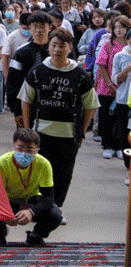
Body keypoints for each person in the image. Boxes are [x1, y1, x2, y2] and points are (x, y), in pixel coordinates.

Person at [19, 28, 99, 223]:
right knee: (39, 171)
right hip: (41, 133)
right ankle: (37, 207)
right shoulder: (37, 71)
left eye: (61, 46)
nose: (57, 50)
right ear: (49, 47)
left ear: (70, 48)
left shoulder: (80, 75)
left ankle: (55, 208)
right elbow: (26, 101)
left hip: (68, 135)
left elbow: (90, 105)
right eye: (53, 45)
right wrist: (28, 130)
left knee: (63, 173)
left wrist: (81, 131)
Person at [0, 128, 63, 246]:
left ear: (37, 150)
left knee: (55, 215)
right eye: (20, 148)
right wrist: (5, 213)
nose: (24, 153)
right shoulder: (1, 164)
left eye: (30, 150)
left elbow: (49, 197)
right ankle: (0, 232)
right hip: (8, 201)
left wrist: (31, 212)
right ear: (13, 146)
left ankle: (35, 236)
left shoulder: (44, 164)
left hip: (32, 200)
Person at [6, 11, 53, 127]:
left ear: (50, 28)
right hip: (27, 105)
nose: (39, 30)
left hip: (52, 105)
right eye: (35, 27)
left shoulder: (57, 50)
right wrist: (17, 110)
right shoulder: (21, 53)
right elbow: (13, 82)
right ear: (30, 28)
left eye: (42, 26)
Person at [94, 15, 131, 159]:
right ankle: (107, 145)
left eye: (122, 27)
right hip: (107, 85)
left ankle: (119, 146)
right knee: (106, 117)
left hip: (124, 89)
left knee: (121, 120)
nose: (118, 30)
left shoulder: (128, 46)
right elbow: (101, 65)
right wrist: (110, 84)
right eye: (116, 27)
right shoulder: (108, 44)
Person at [111, 28, 131, 178]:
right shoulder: (120, 56)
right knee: (125, 134)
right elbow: (116, 79)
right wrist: (127, 69)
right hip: (124, 100)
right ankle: (128, 167)